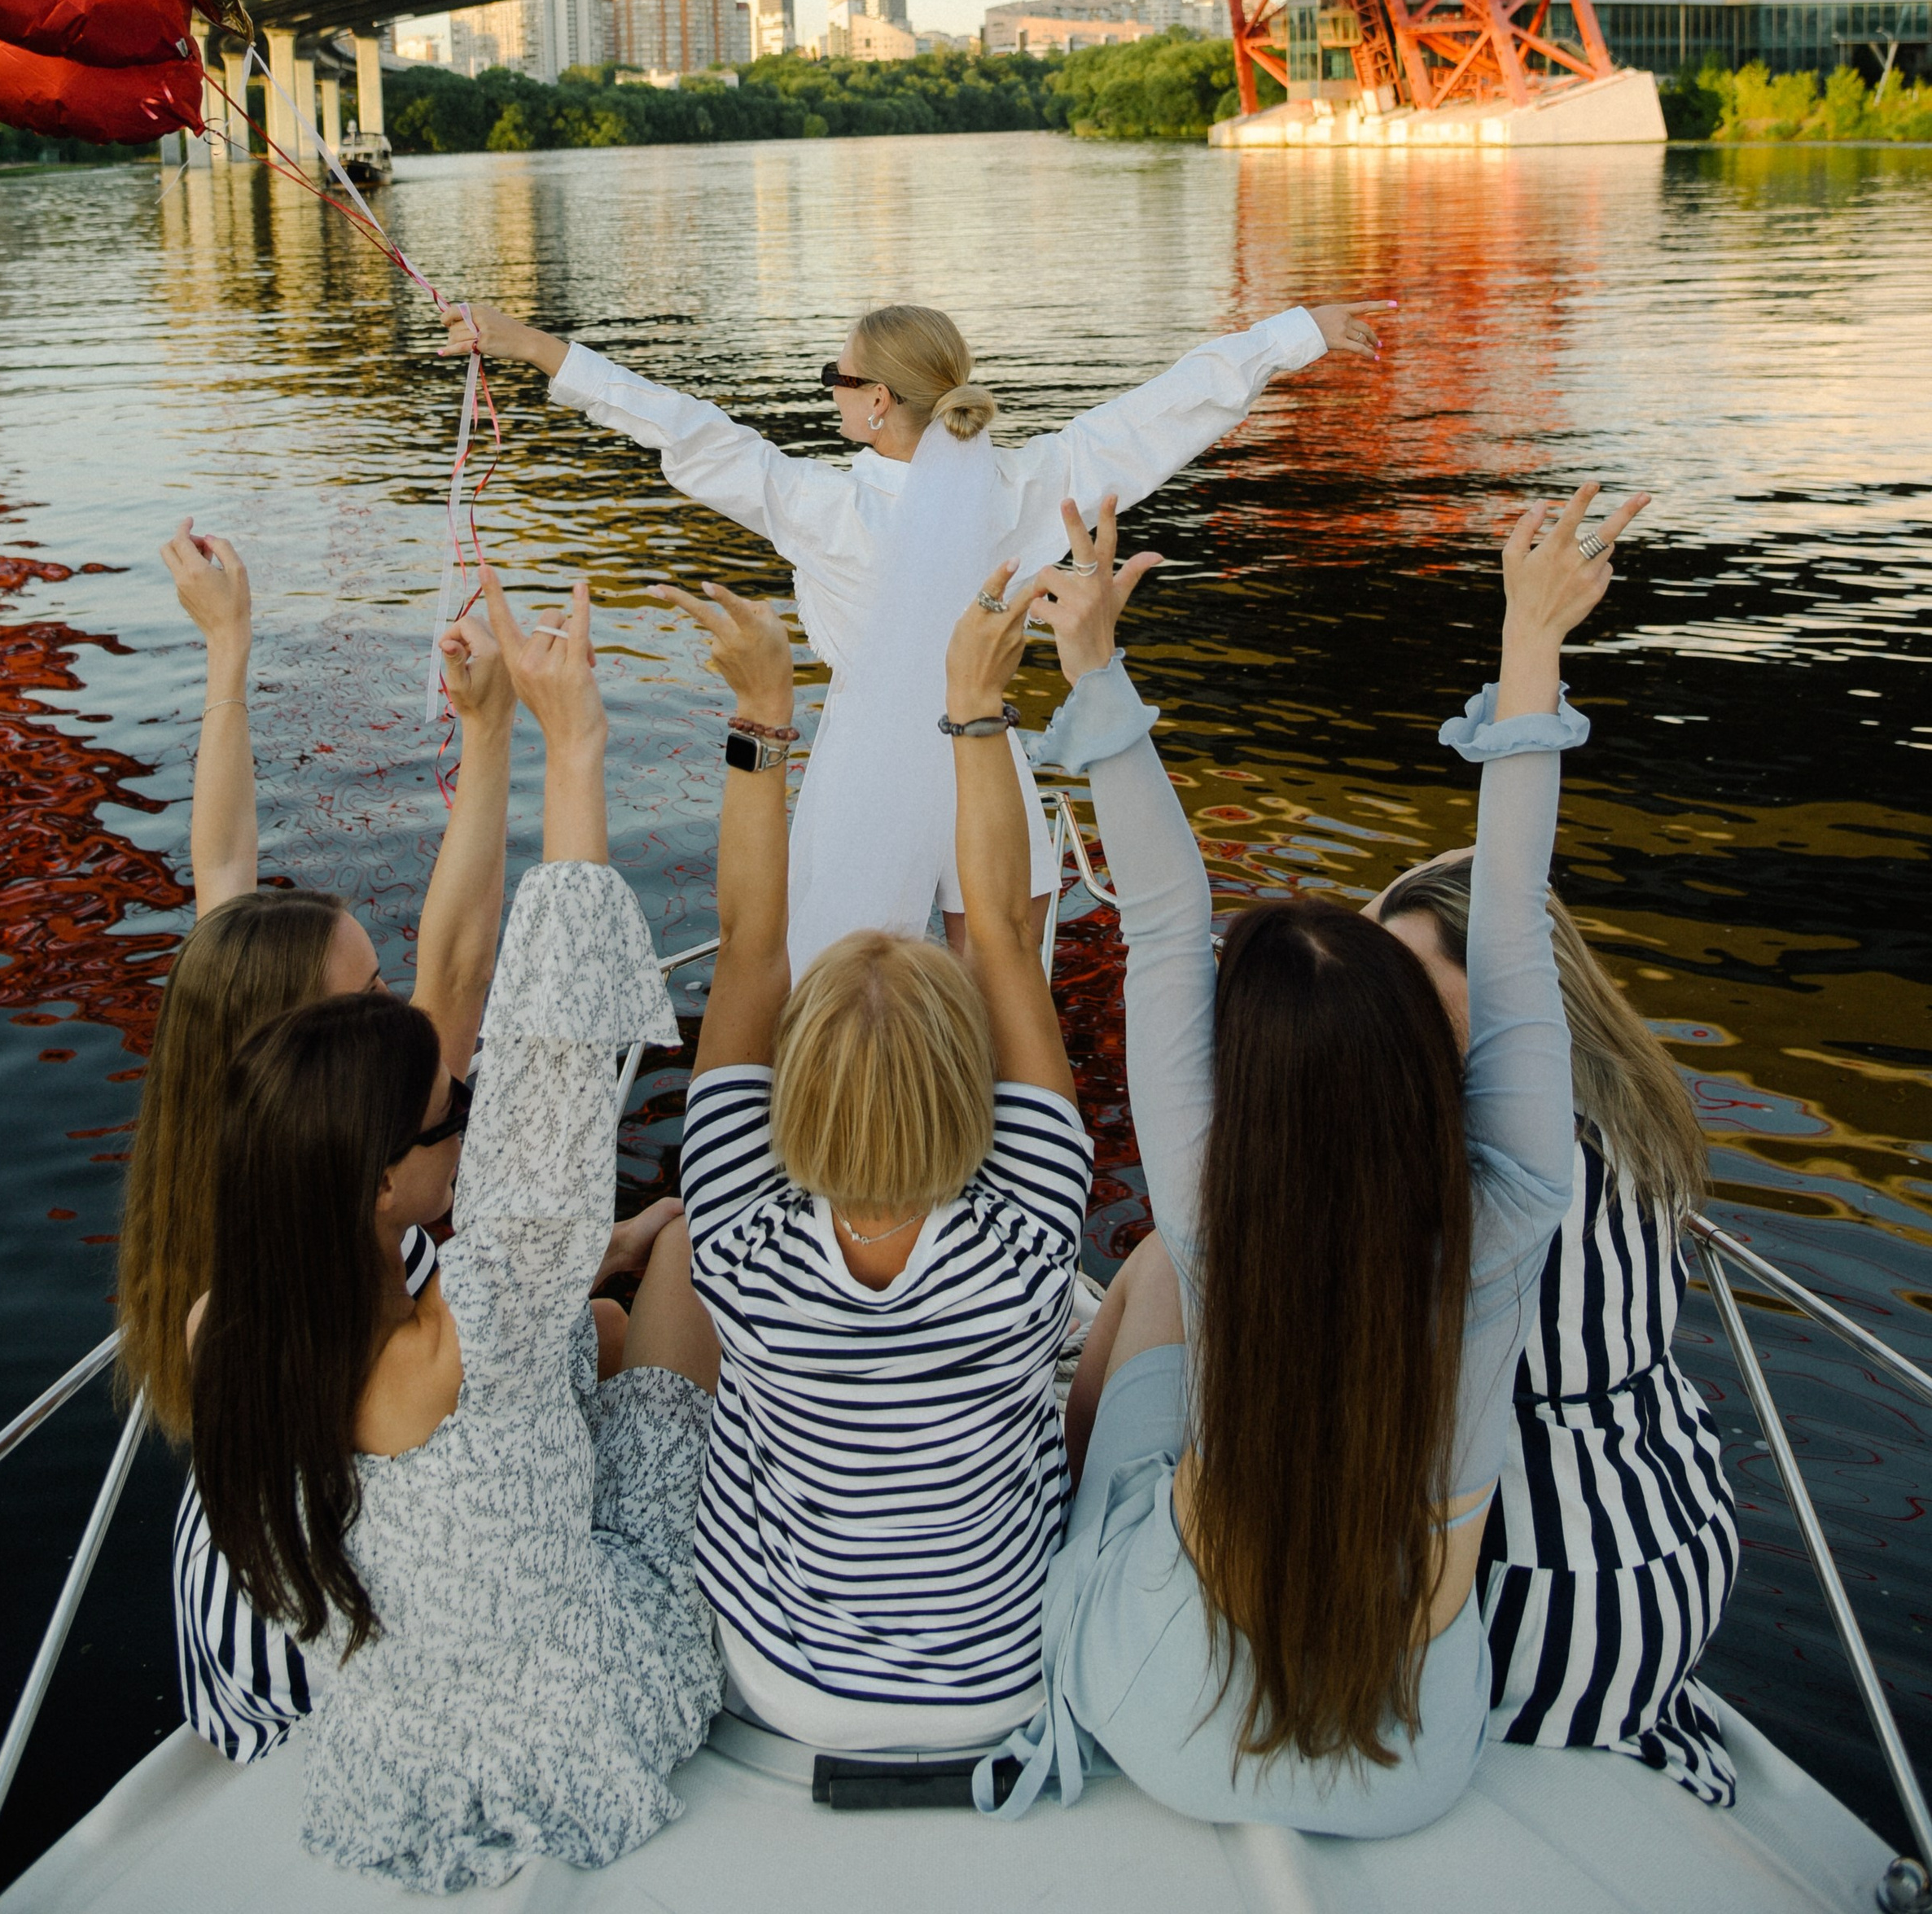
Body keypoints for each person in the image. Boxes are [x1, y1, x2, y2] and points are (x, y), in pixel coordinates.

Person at [993, 478, 1645, 1830]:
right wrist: (1531, 645)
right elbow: (1512, 931)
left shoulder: (1208, 1199)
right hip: (1412, 1757)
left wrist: (1095, 660)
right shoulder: (1513, 1205)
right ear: (1422, 1063)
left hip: (1169, 1712)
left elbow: (1167, 920)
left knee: (1157, 1288)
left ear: (1251, 1091)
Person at [191, 568, 725, 1884]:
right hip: (587, 1720)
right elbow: (553, 1053)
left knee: (596, 1309)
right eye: (450, 1120)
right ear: (377, 1185)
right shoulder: (476, 1309)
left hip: (407, 1750)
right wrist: (574, 742)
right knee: (684, 1271)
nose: (474, 1121)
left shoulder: (227, 1329)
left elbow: (509, 1057)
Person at [441, 294, 1386, 961]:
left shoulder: (821, 508)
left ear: (878, 402)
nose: (832, 392)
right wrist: (1292, 333)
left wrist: (524, 343)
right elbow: (1156, 417)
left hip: (866, 770)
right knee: (1003, 977)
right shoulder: (1021, 488)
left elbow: (683, 428)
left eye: (836, 377)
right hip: (986, 762)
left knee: (851, 990)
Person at [655, 560, 1093, 1754]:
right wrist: (975, 708)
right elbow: (1001, 922)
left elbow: (749, 944)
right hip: (1001, 1678)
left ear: (794, 1093)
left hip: (787, 1679)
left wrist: (763, 718)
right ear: (970, 1089)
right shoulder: (1033, 1227)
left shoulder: (738, 1230)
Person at [1369, 851, 1739, 1803]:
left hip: (1543, 1594)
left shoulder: (1483, 1165)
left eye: (1409, 985)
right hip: (1676, 1535)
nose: (1385, 1014)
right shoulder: (1623, 1110)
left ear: (1508, 990)